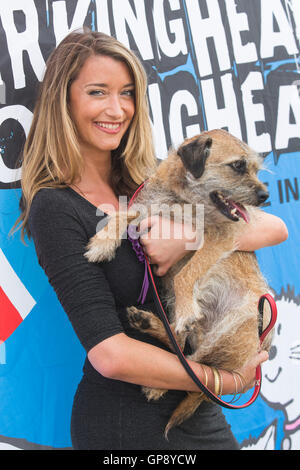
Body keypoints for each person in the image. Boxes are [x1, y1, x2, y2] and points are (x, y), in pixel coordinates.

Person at [13, 30, 288, 450]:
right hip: (126, 424)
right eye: (97, 92)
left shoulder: (149, 178)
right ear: (63, 101)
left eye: (127, 93)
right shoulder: (55, 207)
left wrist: (190, 235)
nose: (116, 108)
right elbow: (110, 354)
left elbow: (272, 227)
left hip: (197, 409)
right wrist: (224, 379)